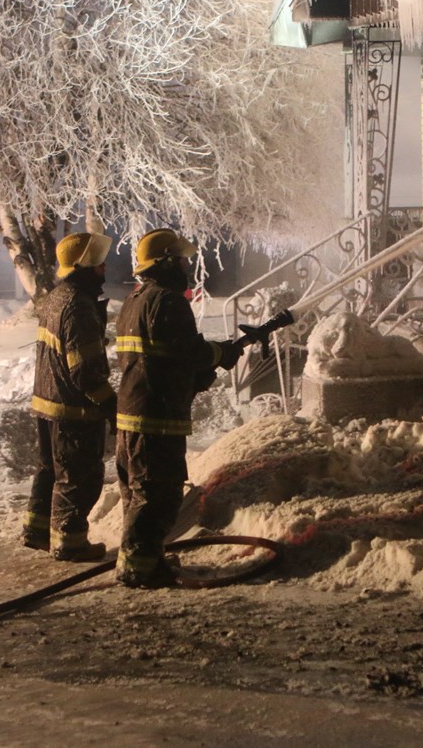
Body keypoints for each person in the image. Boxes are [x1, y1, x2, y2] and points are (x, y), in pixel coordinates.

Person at [113, 228, 242, 588]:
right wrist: (220, 353)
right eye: (182, 259)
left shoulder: (134, 300)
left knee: (137, 494)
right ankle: (140, 570)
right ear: (167, 262)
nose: (186, 265)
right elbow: (187, 352)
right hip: (156, 415)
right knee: (158, 494)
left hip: (132, 411)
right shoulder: (168, 301)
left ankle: (143, 559)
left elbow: (160, 357)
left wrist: (200, 369)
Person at [23, 230, 116, 562]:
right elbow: (86, 371)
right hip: (72, 409)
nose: (105, 268)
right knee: (79, 476)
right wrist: (111, 405)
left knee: (50, 469)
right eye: (99, 264)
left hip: (48, 402)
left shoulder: (56, 297)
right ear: (86, 266)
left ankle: (37, 530)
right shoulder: (78, 305)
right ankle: (70, 542)